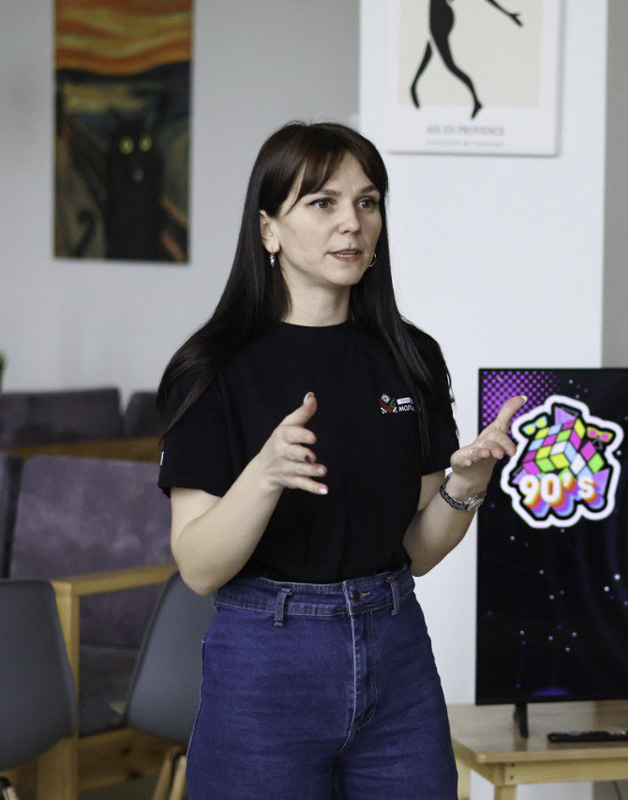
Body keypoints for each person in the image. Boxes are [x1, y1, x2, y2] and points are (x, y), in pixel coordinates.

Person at [155, 120, 523, 798]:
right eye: (322, 202)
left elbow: (414, 552)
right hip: (265, 665)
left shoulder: (411, 357)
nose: (351, 222)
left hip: (396, 650)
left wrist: (467, 484)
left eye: (367, 202)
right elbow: (200, 567)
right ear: (268, 229)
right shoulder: (211, 369)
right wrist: (265, 475)